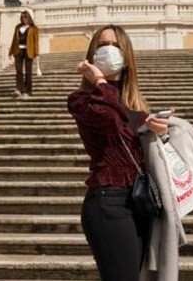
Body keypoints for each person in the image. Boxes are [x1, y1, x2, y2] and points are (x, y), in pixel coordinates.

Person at [67, 25, 170, 281]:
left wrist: (163, 132)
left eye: (115, 46)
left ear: (126, 55)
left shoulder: (135, 105)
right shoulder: (82, 99)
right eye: (102, 45)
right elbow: (108, 118)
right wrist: (100, 81)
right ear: (92, 54)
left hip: (140, 200)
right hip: (107, 201)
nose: (109, 50)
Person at [9, 10, 39, 97]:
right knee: (18, 71)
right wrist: (11, 51)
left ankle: (28, 91)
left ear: (29, 17)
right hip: (18, 50)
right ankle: (19, 89)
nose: (24, 19)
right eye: (22, 17)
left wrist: (37, 53)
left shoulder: (34, 28)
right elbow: (14, 39)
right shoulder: (17, 27)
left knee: (28, 71)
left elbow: (36, 42)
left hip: (29, 51)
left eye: (25, 17)